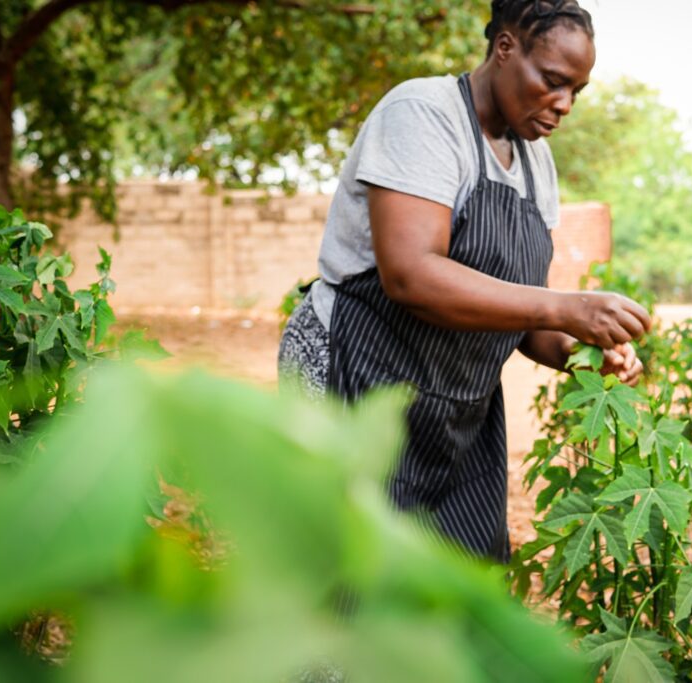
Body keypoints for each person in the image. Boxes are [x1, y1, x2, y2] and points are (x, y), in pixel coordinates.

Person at [278, 0, 650, 563]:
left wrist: (585, 352)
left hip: (456, 401)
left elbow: (527, 321)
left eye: (577, 90)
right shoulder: (422, 116)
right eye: (552, 81)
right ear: (504, 49)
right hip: (355, 374)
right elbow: (411, 275)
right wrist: (567, 308)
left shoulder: (536, 163)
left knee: (463, 576)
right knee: (351, 579)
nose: (565, 104)